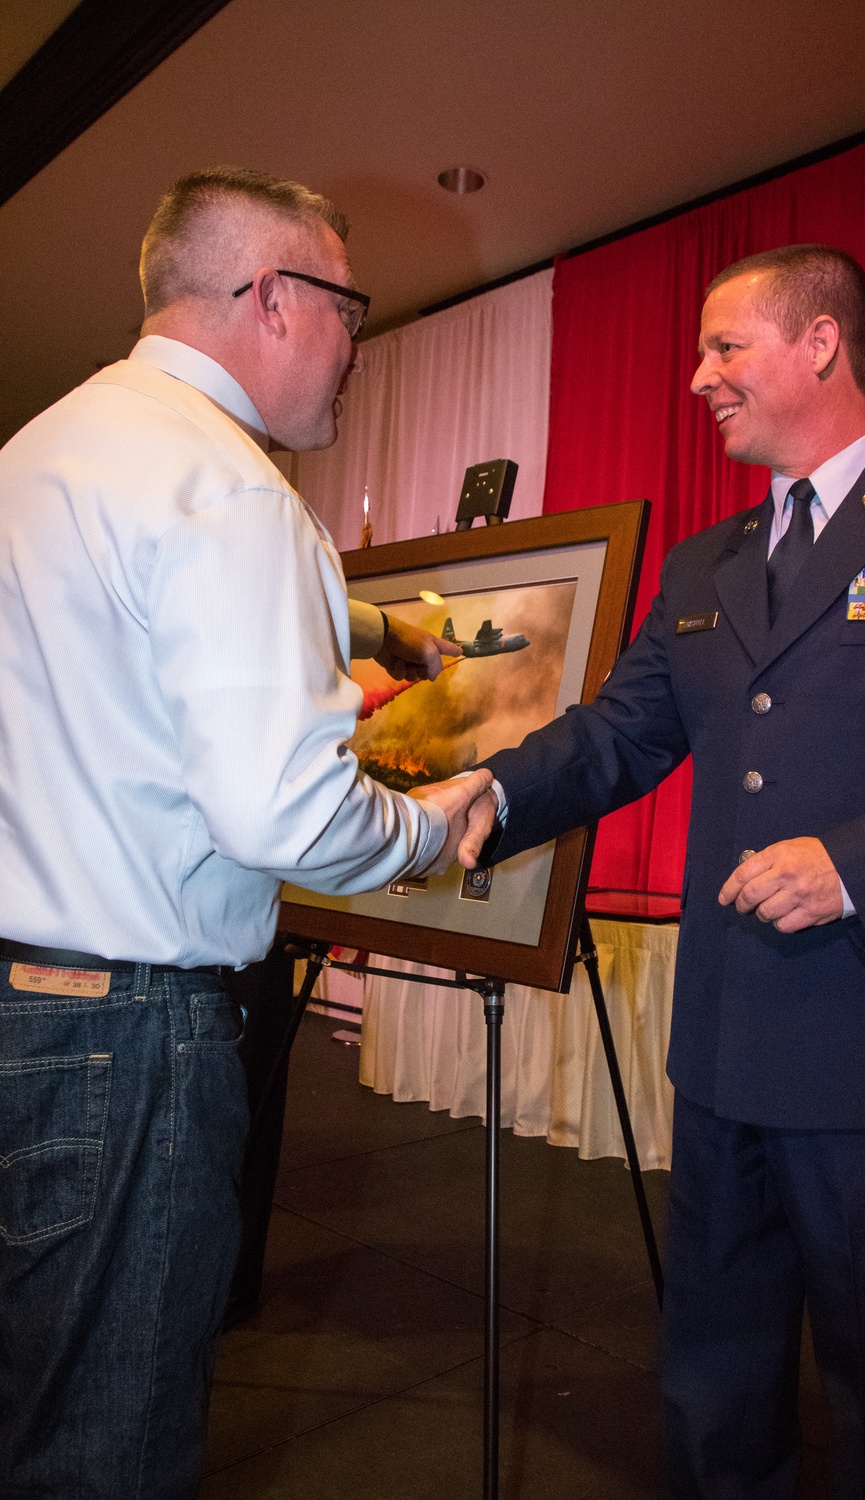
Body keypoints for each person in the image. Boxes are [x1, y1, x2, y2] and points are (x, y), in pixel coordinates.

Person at [473, 245, 865, 1498]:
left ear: (820, 343)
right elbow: (623, 732)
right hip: (722, 1048)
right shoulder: (706, 565)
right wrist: (486, 793)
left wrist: (862, 863)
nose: (697, 376)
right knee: (712, 1381)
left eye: (725, 347)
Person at [0, 166, 492, 1499]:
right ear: (274, 299)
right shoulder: (231, 491)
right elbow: (286, 811)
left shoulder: (43, 451)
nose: (355, 343)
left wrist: (393, 629)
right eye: (350, 304)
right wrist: (424, 823)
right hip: (129, 1041)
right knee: (111, 1442)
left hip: (26, 1007)